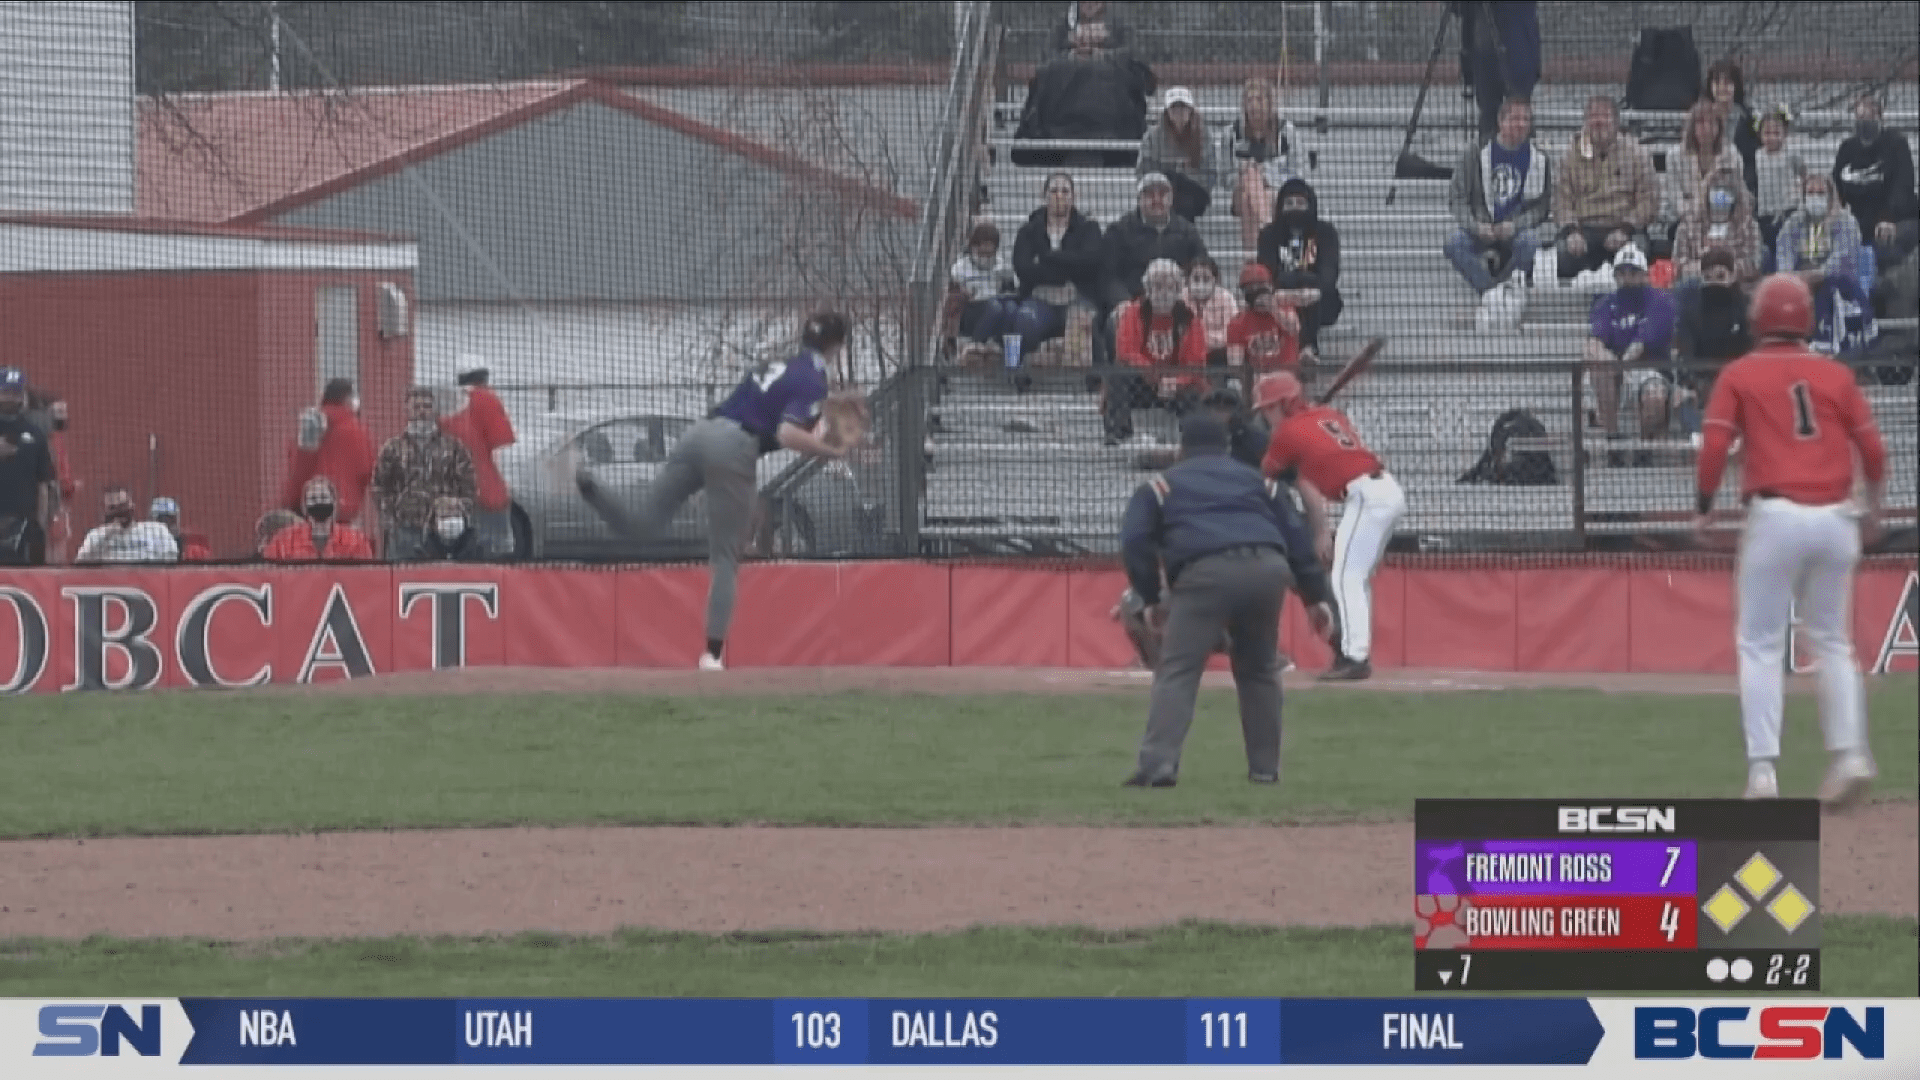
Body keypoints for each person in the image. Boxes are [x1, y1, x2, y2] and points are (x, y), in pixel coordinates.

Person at [1692, 274, 1887, 806]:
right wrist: (1875, 506)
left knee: (1759, 643)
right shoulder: (1835, 375)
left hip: (1775, 515)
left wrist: (1704, 507)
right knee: (1831, 641)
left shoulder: (1739, 373)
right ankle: (1850, 755)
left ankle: (1763, 774)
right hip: (1836, 516)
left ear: (1758, 320)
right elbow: (1873, 450)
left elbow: (1714, 446)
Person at [575, 313, 856, 672]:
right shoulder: (815, 377)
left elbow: (783, 416)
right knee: (725, 558)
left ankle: (585, 484)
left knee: (643, 526)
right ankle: (712, 655)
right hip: (734, 447)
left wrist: (819, 432)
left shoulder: (776, 363)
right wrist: (830, 451)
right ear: (837, 346)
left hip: (699, 432)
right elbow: (787, 433)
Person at [1118, 414, 1334, 788]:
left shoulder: (1159, 487)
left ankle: (1158, 766)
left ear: (1181, 448)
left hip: (1204, 574)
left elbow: (1134, 542)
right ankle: (1265, 770)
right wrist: (1316, 596)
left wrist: (1151, 597)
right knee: (1259, 670)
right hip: (1268, 571)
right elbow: (1297, 537)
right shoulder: (1261, 483)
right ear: (1226, 447)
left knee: (1180, 670)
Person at [1256, 368, 1405, 682]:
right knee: (1354, 576)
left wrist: (1283, 444)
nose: (1266, 415)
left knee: (1345, 576)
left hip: (1366, 495)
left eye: (1269, 408)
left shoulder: (1286, 433)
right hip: (1384, 490)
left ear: (1283, 404)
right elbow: (1316, 455)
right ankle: (1355, 653)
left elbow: (1265, 474)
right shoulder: (1328, 414)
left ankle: (1354, 658)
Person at [1444, 97, 1551, 298]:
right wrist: (1476, 226)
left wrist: (1516, 225)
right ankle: (1491, 293)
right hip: (1481, 228)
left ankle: (1506, 291)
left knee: (1531, 243)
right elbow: (1457, 199)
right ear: (1500, 122)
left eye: (1526, 120)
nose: (1521, 124)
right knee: (1454, 243)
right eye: (1514, 119)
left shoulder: (1540, 159)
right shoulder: (1474, 153)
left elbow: (1541, 207)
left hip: (1515, 232)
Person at [1099, 173, 1209, 367]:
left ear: (1171, 199)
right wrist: (1122, 301)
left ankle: (1185, 379)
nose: (1156, 200)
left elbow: (1202, 265)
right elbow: (1108, 275)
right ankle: (1117, 381)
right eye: (1149, 195)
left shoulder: (1187, 230)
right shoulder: (1120, 230)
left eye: (1163, 194)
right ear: (1139, 199)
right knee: (1114, 323)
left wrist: (1187, 296)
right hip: (1134, 302)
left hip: (1176, 301)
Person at [1581, 245, 1678, 453]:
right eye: (1622, 272)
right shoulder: (1605, 303)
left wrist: (1621, 364)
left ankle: (1644, 448)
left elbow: (1640, 344)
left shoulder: (1661, 301)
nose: (1627, 278)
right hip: (1617, 370)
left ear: (1644, 275)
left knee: (1654, 395)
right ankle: (1613, 441)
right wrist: (1612, 363)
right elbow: (1593, 342)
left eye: (1633, 272)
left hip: (1651, 368)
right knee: (1598, 365)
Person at [1104, 259, 1210, 445]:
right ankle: (1118, 433)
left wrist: (1176, 382)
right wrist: (1156, 376)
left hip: (1176, 386)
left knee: (1194, 392)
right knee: (1117, 374)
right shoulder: (1134, 312)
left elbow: (1196, 364)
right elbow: (1126, 353)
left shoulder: (1189, 318)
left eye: (1169, 287)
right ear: (1148, 289)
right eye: (1157, 287)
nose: (1163, 293)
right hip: (1143, 383)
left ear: (1178, 290)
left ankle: (1194, 438)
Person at [1553, 97, 1658, 277]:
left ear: (1616, 123)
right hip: (1584, 228)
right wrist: (1572, 232)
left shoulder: (1636, 153)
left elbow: (1649, 199)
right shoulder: (1570, 155)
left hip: (1624, 228)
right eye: (1593, 116)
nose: (1598, 121)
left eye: (1604, 116)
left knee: (1637, 255)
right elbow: (1561, 200)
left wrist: (1626, 229)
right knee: (1562, 257)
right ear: (1585, 122)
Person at [373, 387, 478, 560]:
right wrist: (390, 518)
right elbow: (379, 486)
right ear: (407, 410)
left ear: (434, 410)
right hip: (404, 531)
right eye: (417, 407)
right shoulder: (392, 449)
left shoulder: (453, 448)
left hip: (443, 535)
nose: (422, 412)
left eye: (427, 406)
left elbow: (469, 486)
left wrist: (458, 512)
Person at [1011, 172, 1104, 360]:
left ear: (1074, 196)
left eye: (1065, 191)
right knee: (1024, 321)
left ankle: (1091, 381)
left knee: (1084, 323)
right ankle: (1020, 376)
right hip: (1039, 299)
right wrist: (1065, 272)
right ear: (1044, 196)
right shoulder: (1028, 231)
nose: (1059, 195)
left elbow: (1091, 263)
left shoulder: (1089, 228)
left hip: (1077, 298)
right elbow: (1023, 269)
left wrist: (1047, 257)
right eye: (1053, 191)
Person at [1832, 92, 1919, 286]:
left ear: (1881, 117)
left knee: (1887, 246)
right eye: (1860, 117)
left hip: (1896, 219)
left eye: (1870, 117)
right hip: (1859, 222)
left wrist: (1887, 218)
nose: (1864, 122)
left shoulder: (1895, 143)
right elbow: (1836, 186)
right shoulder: (1847, 148)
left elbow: (1903, 186)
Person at [1255, 177, 1342, 361]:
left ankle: (1306, 347)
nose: (1295, 207)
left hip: (1320, 299)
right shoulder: (1269, 235)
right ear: (1280, 206)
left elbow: (1329, 271)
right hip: (1281, 296)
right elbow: (1268, 271)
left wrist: (1310, 289)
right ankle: (1305, 349)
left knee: (1309, 288)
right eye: (1289, 203)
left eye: (1300, 203)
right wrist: (1293, 292)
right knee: (1290, 289)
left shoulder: (1325, 232)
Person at [441, 359, 519, 558]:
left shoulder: (449, 404)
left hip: (455, 493)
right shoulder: (487, 400)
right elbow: (502, 446)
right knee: (497, 551)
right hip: (488, 492)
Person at [1673, 249, 1752, 436]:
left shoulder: (1747, 308)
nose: (1714, 281)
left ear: (1732, 276)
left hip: (1739, 380)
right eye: (1708, 277)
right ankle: (1699, 441)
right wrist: (1688, 383)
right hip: (1702, 380)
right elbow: (1685, 350)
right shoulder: (1691, 311)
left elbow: (1751, 351)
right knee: (1682, 398)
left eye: (1720, 276)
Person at [280, 378, 376, 527]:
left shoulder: (311, 424)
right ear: (348, 399)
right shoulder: (358, 431)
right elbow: (368, 471)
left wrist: (289, 501)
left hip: (307, 510)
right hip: (342, 513)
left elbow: (298, 468)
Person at [1455, 1, 1540, 142]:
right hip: (1484, 48)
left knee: (1518, 110)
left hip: (1517, 44)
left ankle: (1523, 156)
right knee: (1489, 111)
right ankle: (1488, 152)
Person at [1665, 100, 1744, 248]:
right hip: (1686, 223)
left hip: (1722, 221)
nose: (1706, 128)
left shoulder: (1732, 155)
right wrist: (1697, 214)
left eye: (1712, 123)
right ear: (1692, 127)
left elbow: (1737, 197)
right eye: (1700, 123)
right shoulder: (1674, 156)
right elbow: (1676, 202)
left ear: (1719, 127)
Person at [1229, 78, 1293, 253]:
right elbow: (1223, 176)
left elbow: (1297, 172)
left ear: (1269, 103)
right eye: (1250, 100)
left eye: (1259, 100)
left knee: (1249, 201)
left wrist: (1267, 174)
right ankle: (1267, 226)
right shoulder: (1232, 133)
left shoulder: (1286, 131)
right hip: (1239, 190)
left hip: (1276, 191)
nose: (1254, 105)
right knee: (1250, 173)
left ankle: (1253, 258)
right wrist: (1241, 171)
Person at [1137, 87, 1218, 221]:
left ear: (1191, 110)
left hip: (1194, 193)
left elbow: (1210, 173)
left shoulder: (1204, 136)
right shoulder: (1152, 137)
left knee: (1182, 198)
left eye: (1183, 108)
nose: (1179, 112)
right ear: (1167, 111)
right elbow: (1143, 169)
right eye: (1174, 108)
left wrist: (1186, 178)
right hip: (1160, 192)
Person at [0, 368, 55, 567]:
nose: (11, 398)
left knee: (23, 570)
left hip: (23, 521)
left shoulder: (35, 434)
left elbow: (43, 484)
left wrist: (40, 523)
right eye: (6, 392)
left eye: (16, 393)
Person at [1672, 166, 1762, 285]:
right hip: (1698, 288)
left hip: (1735, 289)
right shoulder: (1687, 226)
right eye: (1716, 188)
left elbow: (1753, 265)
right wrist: (1707, 268)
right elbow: (1677, 267)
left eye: (1726, 189)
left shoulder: (1749, 226)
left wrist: (1726, 266)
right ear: (1706, 192)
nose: (1721, 195)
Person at [1774, 173, 1864, 287]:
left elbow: (1843, 260)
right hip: (1799, 285)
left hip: (1838, 286)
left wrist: (1819, 274)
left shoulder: (1847, 222)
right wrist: (1791, 277)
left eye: (1821, 193)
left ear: (1830, 196)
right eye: (1810, 193)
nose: (1815, 197)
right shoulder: (1794, 222)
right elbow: (1783, 255)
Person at [263, 476, 376, 562]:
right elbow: (266, 571)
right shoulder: (283, 541)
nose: (319, 502)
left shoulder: (356, 541)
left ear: (335, 503)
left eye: (324, 497)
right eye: (313, 498)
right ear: (304, 506)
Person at [1751, 106, 1805, 268]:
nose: (1772, 138)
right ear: (1760, 135)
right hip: (1765, 212)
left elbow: (1803, 172)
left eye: (1776, 133)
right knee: (1769, 249)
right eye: (1767, 133)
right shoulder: (1757, 155)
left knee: (1787, 247)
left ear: (1785, 134)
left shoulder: (1791, 153)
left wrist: (1799, 193)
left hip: (1786, 211)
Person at [1225, 264, 1304, 374]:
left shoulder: (1285, 309)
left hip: (1286, 376)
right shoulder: (1237, 323)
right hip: (1259, 379)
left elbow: (1294, 328)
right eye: (1251, 289)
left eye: (1262, 287)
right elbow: (1235, 364)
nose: (1258, 295)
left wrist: (1273, 308)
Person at [74, 487, 178, 563]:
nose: (120, 512)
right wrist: (108, 532)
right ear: (106, 511)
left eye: (123, 506)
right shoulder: (96, 536)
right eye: (114, 508)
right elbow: (80, 563)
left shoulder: (155, 530)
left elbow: (172, 557)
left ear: (132, 507)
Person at [1702, 60, 1761, 197]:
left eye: (1727, 83)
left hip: (1740, 185)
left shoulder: (1749, 119)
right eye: (1717, 82)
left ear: (1736, 86)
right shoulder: (1701, 117)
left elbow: (1752, 161)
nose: (1722, 87)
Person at [1183, 256, 1239, 366]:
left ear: (1215, 280)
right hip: (1188, 355)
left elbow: (1232, 333)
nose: (1201, 284)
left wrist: (1201, 339)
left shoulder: (1226, 298)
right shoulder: (1181, 298)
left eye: (1206, 279)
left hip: (1217, 354)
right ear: (1188, 280)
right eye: (1196, 279)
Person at [419, 495, 486, 561]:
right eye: (445, 517)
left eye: (456, 516)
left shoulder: (479, 554)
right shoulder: (420, 555)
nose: (451, 521)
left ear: (465, 520)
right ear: (433, 521)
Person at [150, 497, 213, 561]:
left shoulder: (194, 548)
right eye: (161, 520)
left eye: (170, 520)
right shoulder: (148, 546)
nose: (166, 525)